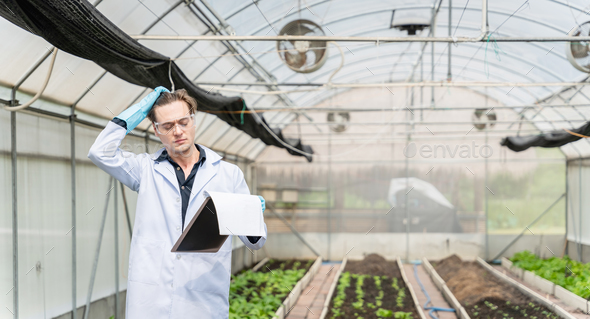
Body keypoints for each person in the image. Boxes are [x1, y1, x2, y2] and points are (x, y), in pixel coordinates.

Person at [87, 86, 267, 318]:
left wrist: (249, 216)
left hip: (203, 298)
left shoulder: (228, 174)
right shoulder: (145, 169)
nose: (178, 131)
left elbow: (255, 242)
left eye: (183, 122)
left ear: (193, 120)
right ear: (156, 129)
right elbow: (100, 152)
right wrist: (140, 110)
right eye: (168, 126)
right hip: (151, 299)